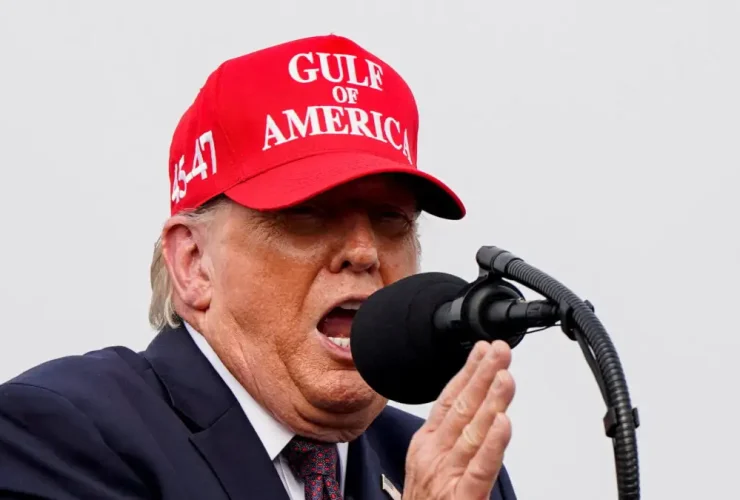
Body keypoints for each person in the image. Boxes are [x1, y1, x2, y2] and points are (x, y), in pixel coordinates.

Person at [0, 34, 517, 500]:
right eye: (308, 215)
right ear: (194, 263)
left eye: (390, 219)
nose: (364, 252)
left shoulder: (448, 466)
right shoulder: (58, 433)